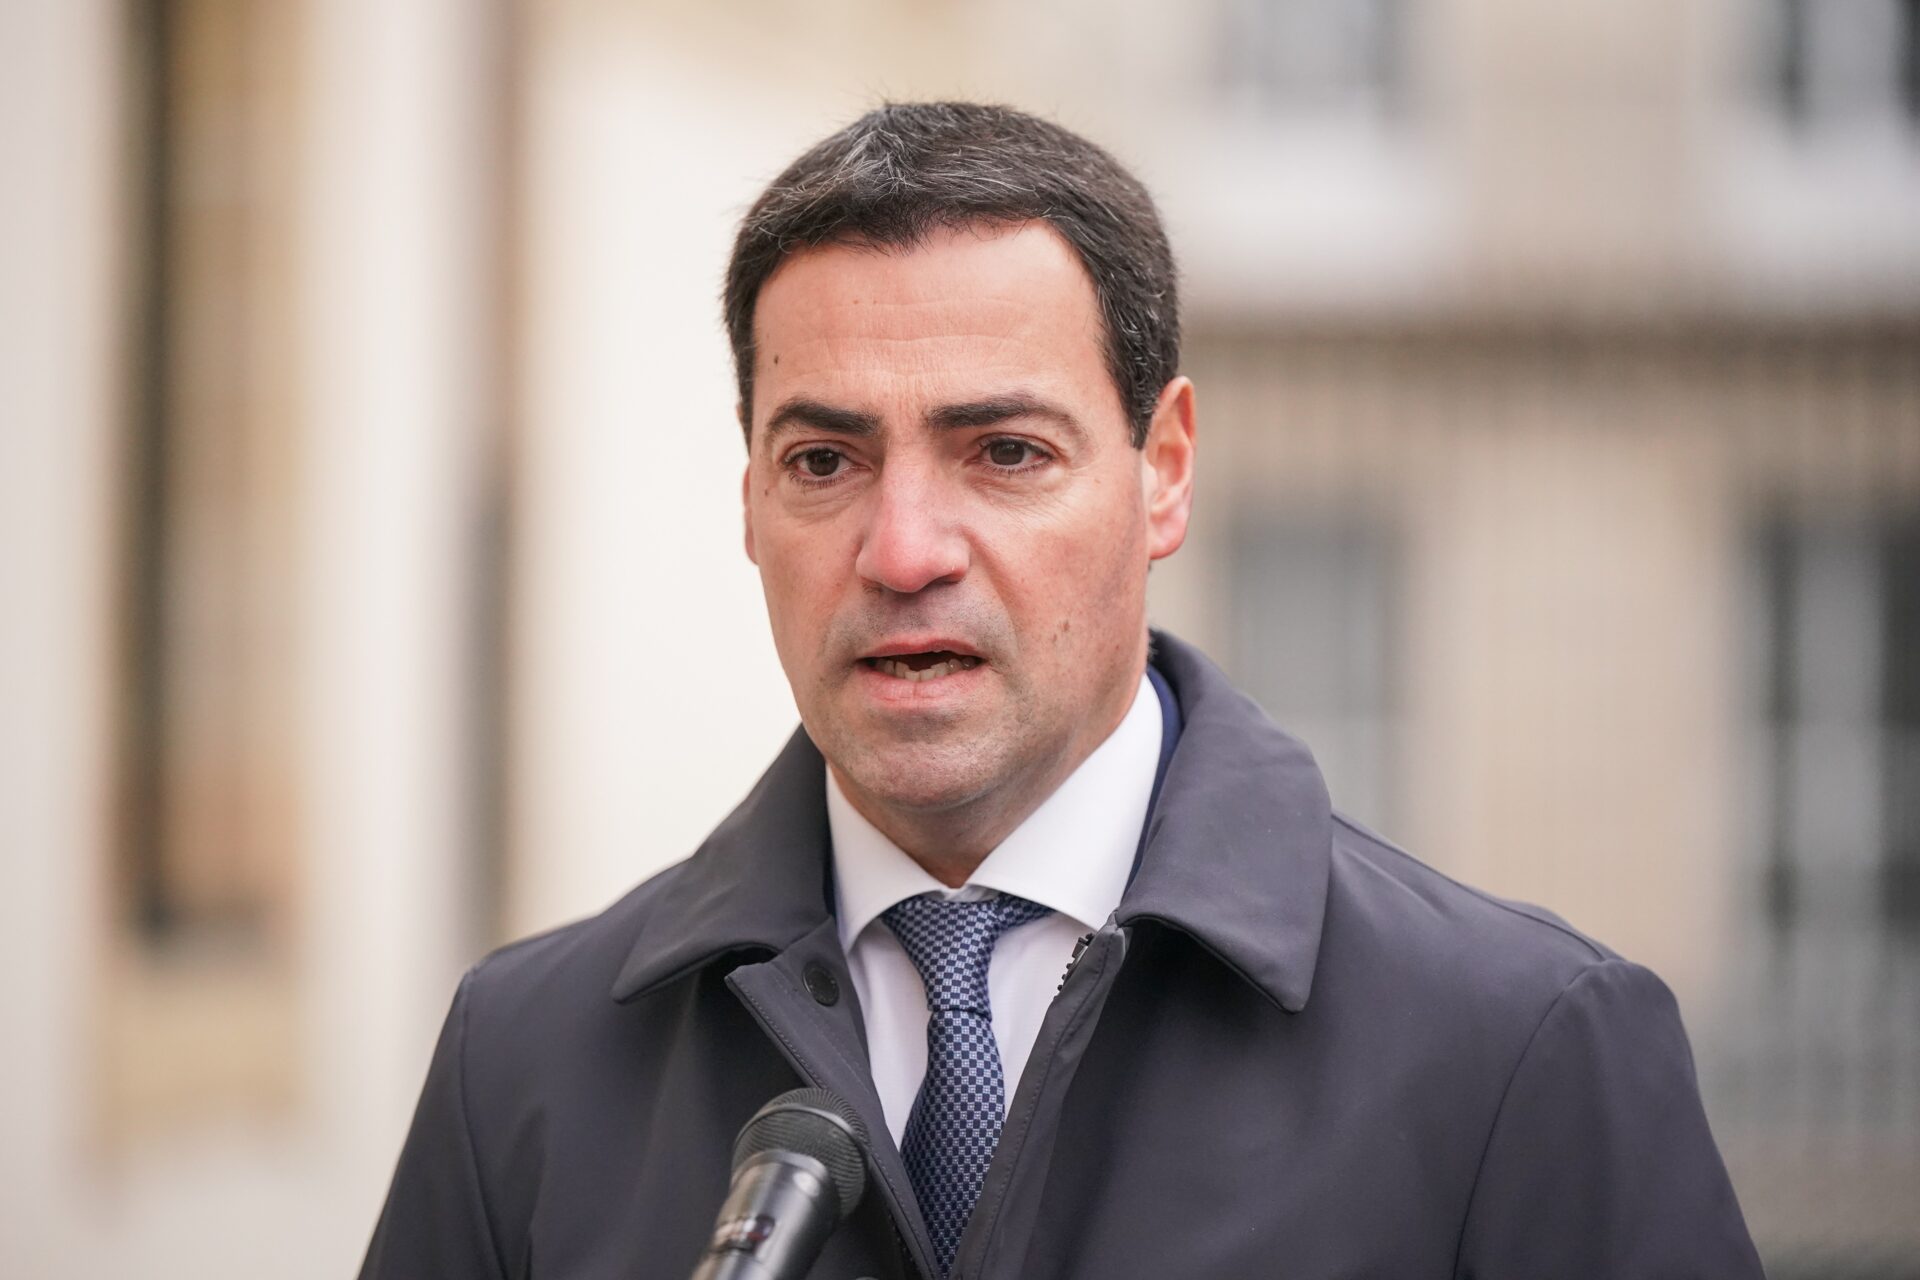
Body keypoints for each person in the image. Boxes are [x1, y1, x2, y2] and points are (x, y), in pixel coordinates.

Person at [359, 102, 1762, 1279]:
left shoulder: (1521, 1052)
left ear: (1165, 473)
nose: (904, 551)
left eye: (1005, 453)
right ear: (748, 498)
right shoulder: (522, 1070)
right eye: (824, 462)